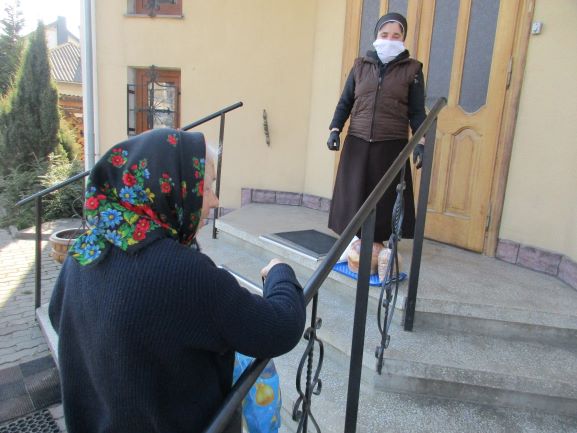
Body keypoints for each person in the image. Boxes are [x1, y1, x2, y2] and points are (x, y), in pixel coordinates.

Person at [48, 128, 306, 433]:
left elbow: (56, 314)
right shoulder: (184, 274)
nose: (215, 200)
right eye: (206, 188)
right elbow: (280, 327)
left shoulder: (84, 252)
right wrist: (280, 272)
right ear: (173, 188)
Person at [327, 12, 426, 247]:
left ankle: (376, 246)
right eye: (384, 34)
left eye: (396, 35)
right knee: (352, 195)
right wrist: (335, 129)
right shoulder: (359, 66)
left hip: (391, 144)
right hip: (357, 141)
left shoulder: (412, 70)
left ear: (403, 38)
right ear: (376, 36)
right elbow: (345, 102)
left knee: (384, 199)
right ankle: (351, 242)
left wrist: (421, 142)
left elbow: (416, 112)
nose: (389, 39)